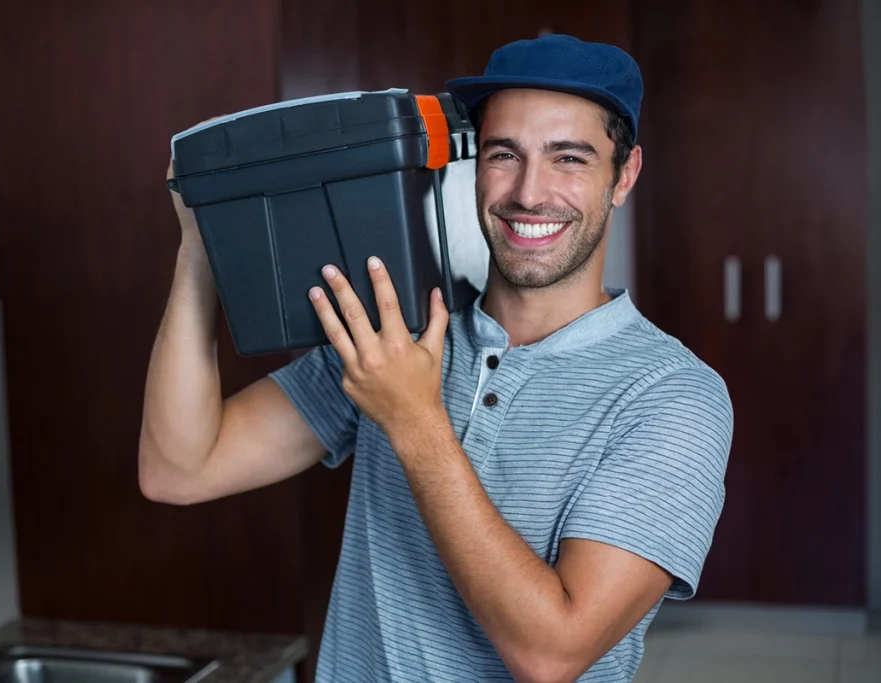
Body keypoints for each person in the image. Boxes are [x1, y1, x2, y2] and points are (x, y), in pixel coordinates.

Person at [139, 33, 733, 683]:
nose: (530, 193)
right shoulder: (396, 335)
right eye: (506, 154)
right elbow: (178, 468)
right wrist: (202, 240)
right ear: (473, 164)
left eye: (569, 158)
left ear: (624, 174)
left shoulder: (671, 396)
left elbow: (553, 652)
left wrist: (413, 419)